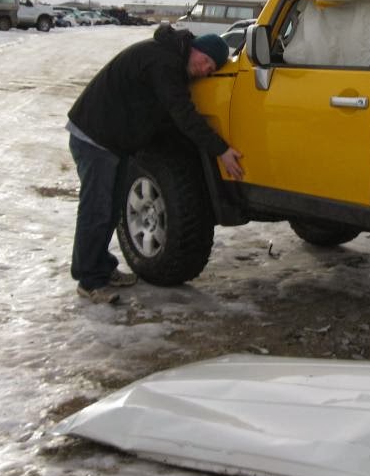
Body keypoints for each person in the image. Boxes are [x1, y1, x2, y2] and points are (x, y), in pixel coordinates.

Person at [66, 24, 244, 304]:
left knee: (111, 209)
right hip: (94, 136)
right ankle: (88, 281)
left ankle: (100, 267)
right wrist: (219, 149)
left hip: (113, 140)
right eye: (206, 62)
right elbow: (182, 113)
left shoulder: (171, 58)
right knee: (96, 210)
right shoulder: (164, 62)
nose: (205, 70)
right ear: (197, 49)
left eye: (211, 69)